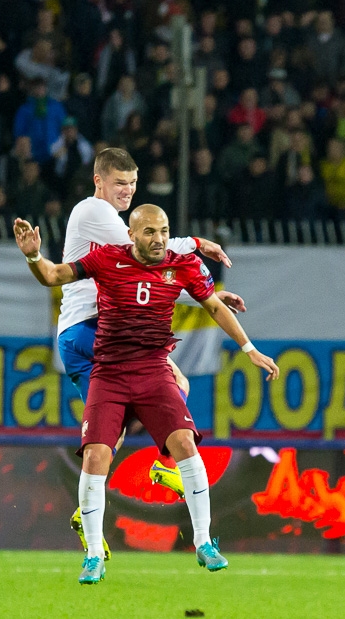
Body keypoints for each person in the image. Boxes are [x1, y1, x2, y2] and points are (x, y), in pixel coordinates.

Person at [15, 203, 278, 584]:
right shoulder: (107, 258)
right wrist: (33, 256)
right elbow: (54, 275)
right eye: (150, 232)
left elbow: (213, 307)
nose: (158, 239)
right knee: (96, 455)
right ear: (132, 235)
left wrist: (249, 348)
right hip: (109, 373)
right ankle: (93, 554)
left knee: (185, 442)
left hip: (153, 370)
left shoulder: (182, 264)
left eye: (164, 231)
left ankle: (204, 542)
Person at [52, 147, 245, 555]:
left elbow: (150, 274)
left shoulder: (101, 216)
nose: (127, 191)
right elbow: (150, 250)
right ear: (98, 181)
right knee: (174, 381)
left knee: (114, 428)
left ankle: (88, 508)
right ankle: (166, 463)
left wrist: (208, 296)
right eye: (120, 183)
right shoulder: (94, 211)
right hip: (94, 330)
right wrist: (197, 243)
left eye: (133, 183)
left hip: (79, 335)